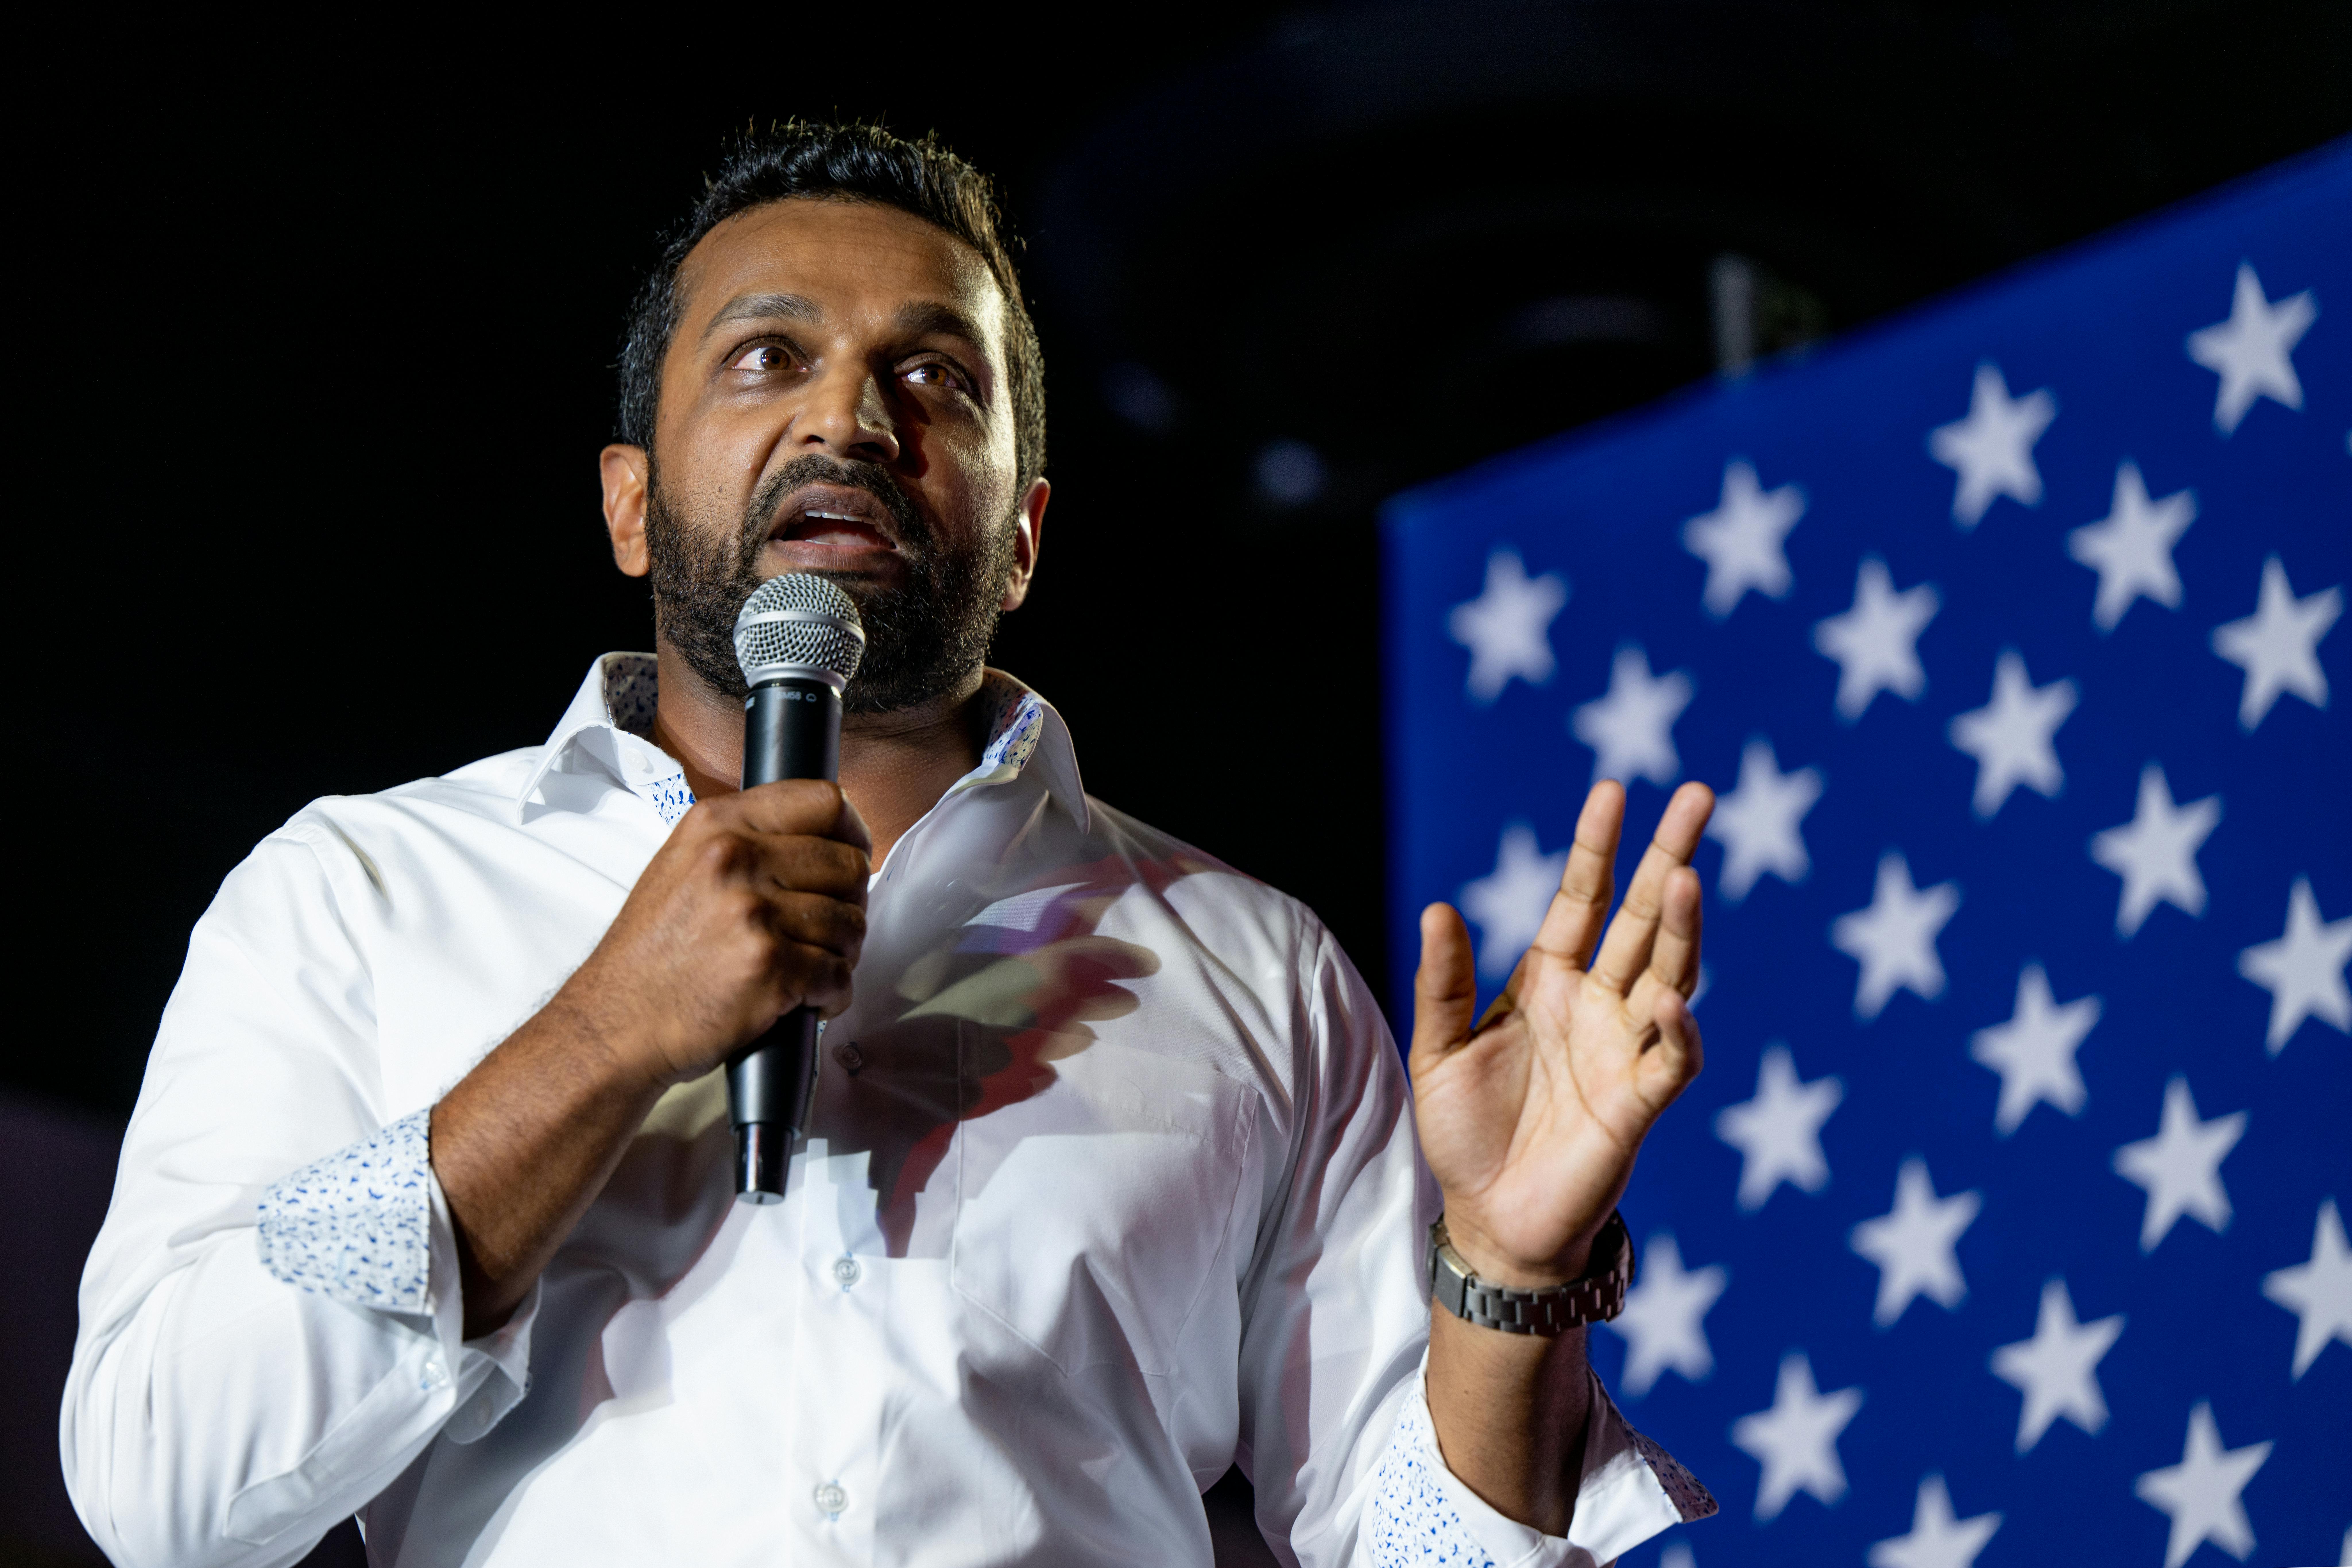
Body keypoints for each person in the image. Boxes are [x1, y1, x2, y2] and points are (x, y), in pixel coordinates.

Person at [63, 121, 1718, 1567]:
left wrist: (1505, 1274)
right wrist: (606, 1033)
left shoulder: (1249, 967)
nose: (852, 417)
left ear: (1024, 535)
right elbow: (163, 1484)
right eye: (768, 358)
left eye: (936, 375)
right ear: (632, 501)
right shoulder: (356, 895)